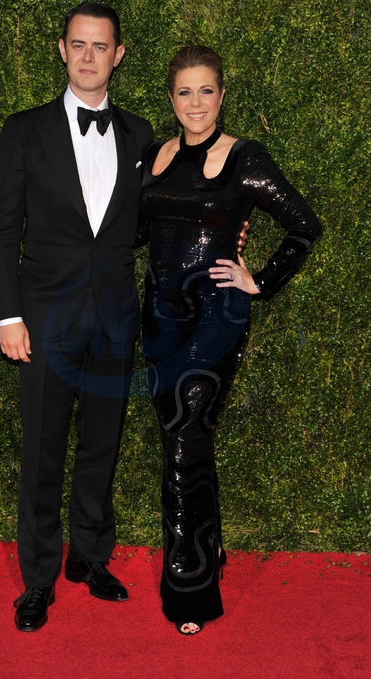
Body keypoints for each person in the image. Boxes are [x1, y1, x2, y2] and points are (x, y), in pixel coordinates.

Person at [139, 45, 322, 635]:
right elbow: (139, 231)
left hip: (216, 318)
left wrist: (259, 280)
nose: (195, 103)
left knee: (184, 435)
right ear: (171, 98)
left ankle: (189, 591)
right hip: (159, 318)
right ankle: (209, 548)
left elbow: (304, 225)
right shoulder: (155, 156)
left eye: (206, 91)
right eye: (184, 92)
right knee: (183, 441)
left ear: (221, 95)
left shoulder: (246, 158)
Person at [0, 2, 154, 631]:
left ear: (118, 55)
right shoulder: (24, 130)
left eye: (100, 46)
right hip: (43, 318)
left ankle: (89, 557)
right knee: (42, 450)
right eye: (78, 44)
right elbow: (1, 230)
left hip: (114, 318)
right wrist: (8, 317)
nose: (88, 56)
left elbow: (151, 221)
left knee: (102, 446)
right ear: (62, 50)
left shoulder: (140, 135)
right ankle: (37, 579)